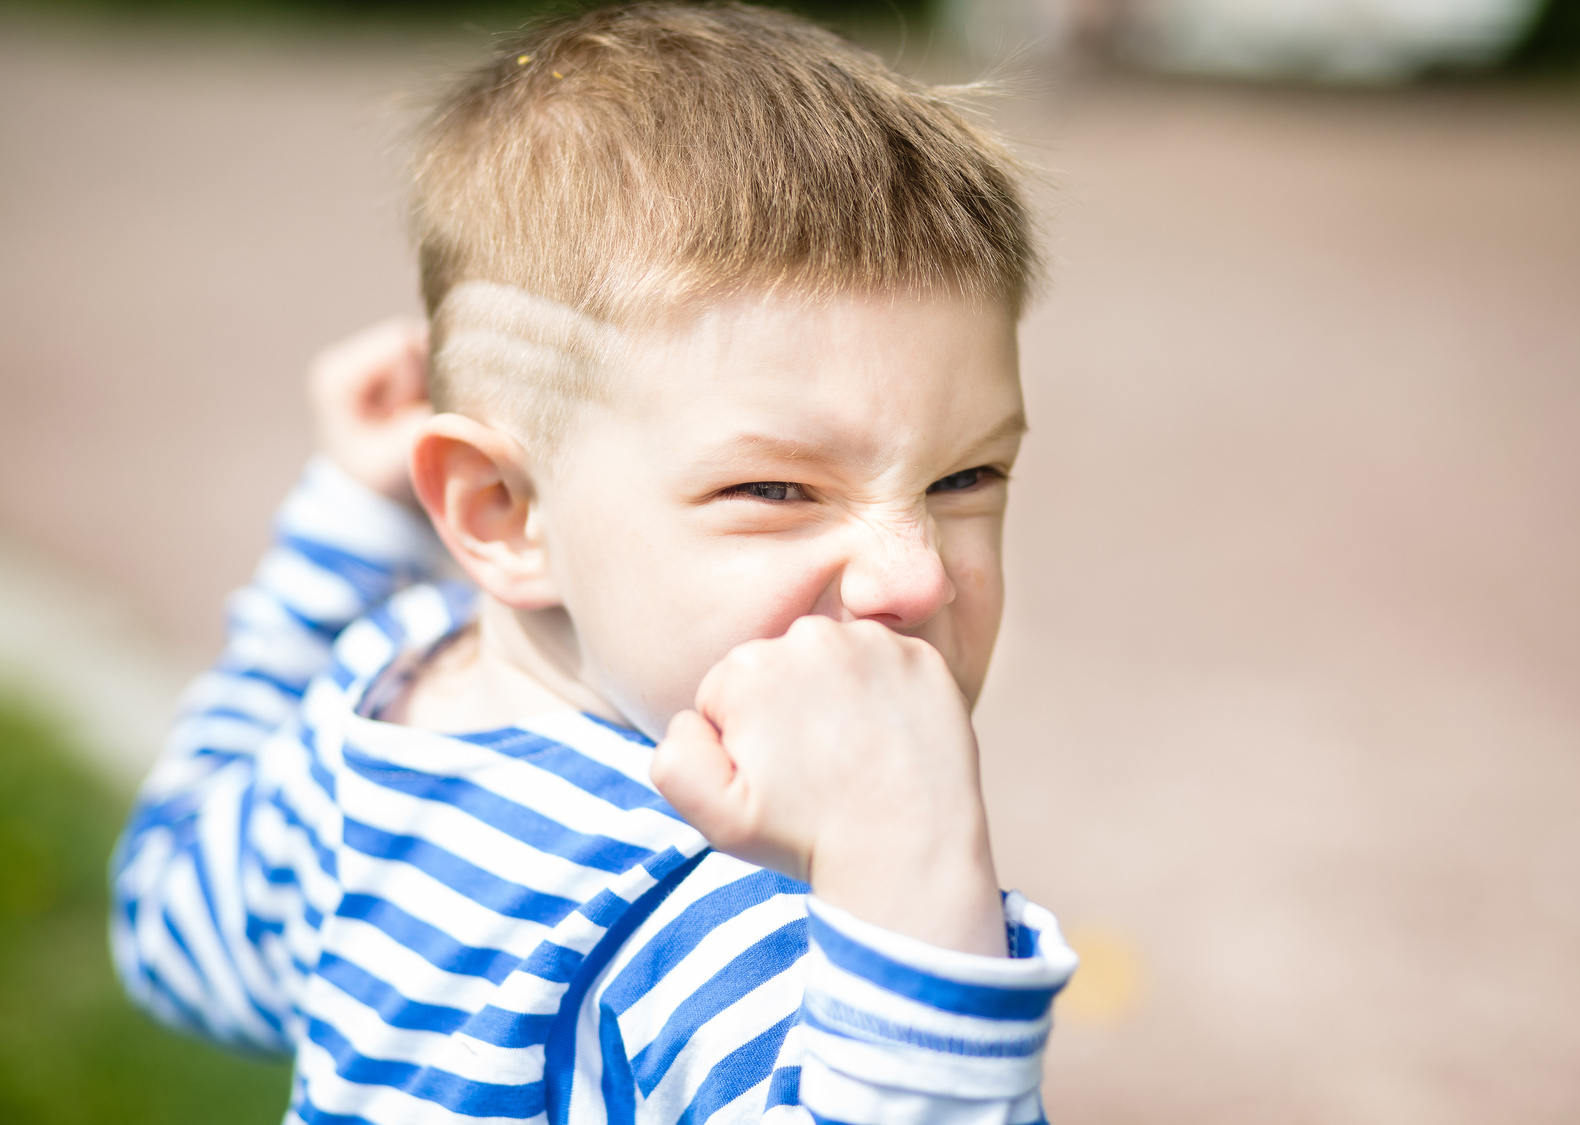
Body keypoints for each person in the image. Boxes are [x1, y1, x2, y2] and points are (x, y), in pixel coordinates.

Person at [110, 4, 1077, 1123]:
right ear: (505, 514)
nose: (914, 579)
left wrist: (346, 536)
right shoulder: (743, 915)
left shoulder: (378, 703)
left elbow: (171, 923)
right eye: (774, 489)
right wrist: (910, 887)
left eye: (964, 480)